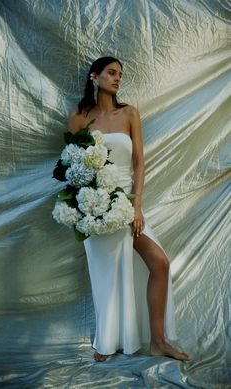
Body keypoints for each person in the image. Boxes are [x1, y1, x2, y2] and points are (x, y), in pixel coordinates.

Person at [69, 56, 189, 362]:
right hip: (95, 208)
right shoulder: (80, 118)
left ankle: (158, 341)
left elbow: (138, 163)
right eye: (111, 72)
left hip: (125, 203)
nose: (117, 78)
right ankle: (105, 342)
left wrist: (136, 206)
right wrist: (85, 207)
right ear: (94, 76)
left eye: (120, 74)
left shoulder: (130, 113)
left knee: (159, 263)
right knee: (106, 276)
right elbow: (72, 167)